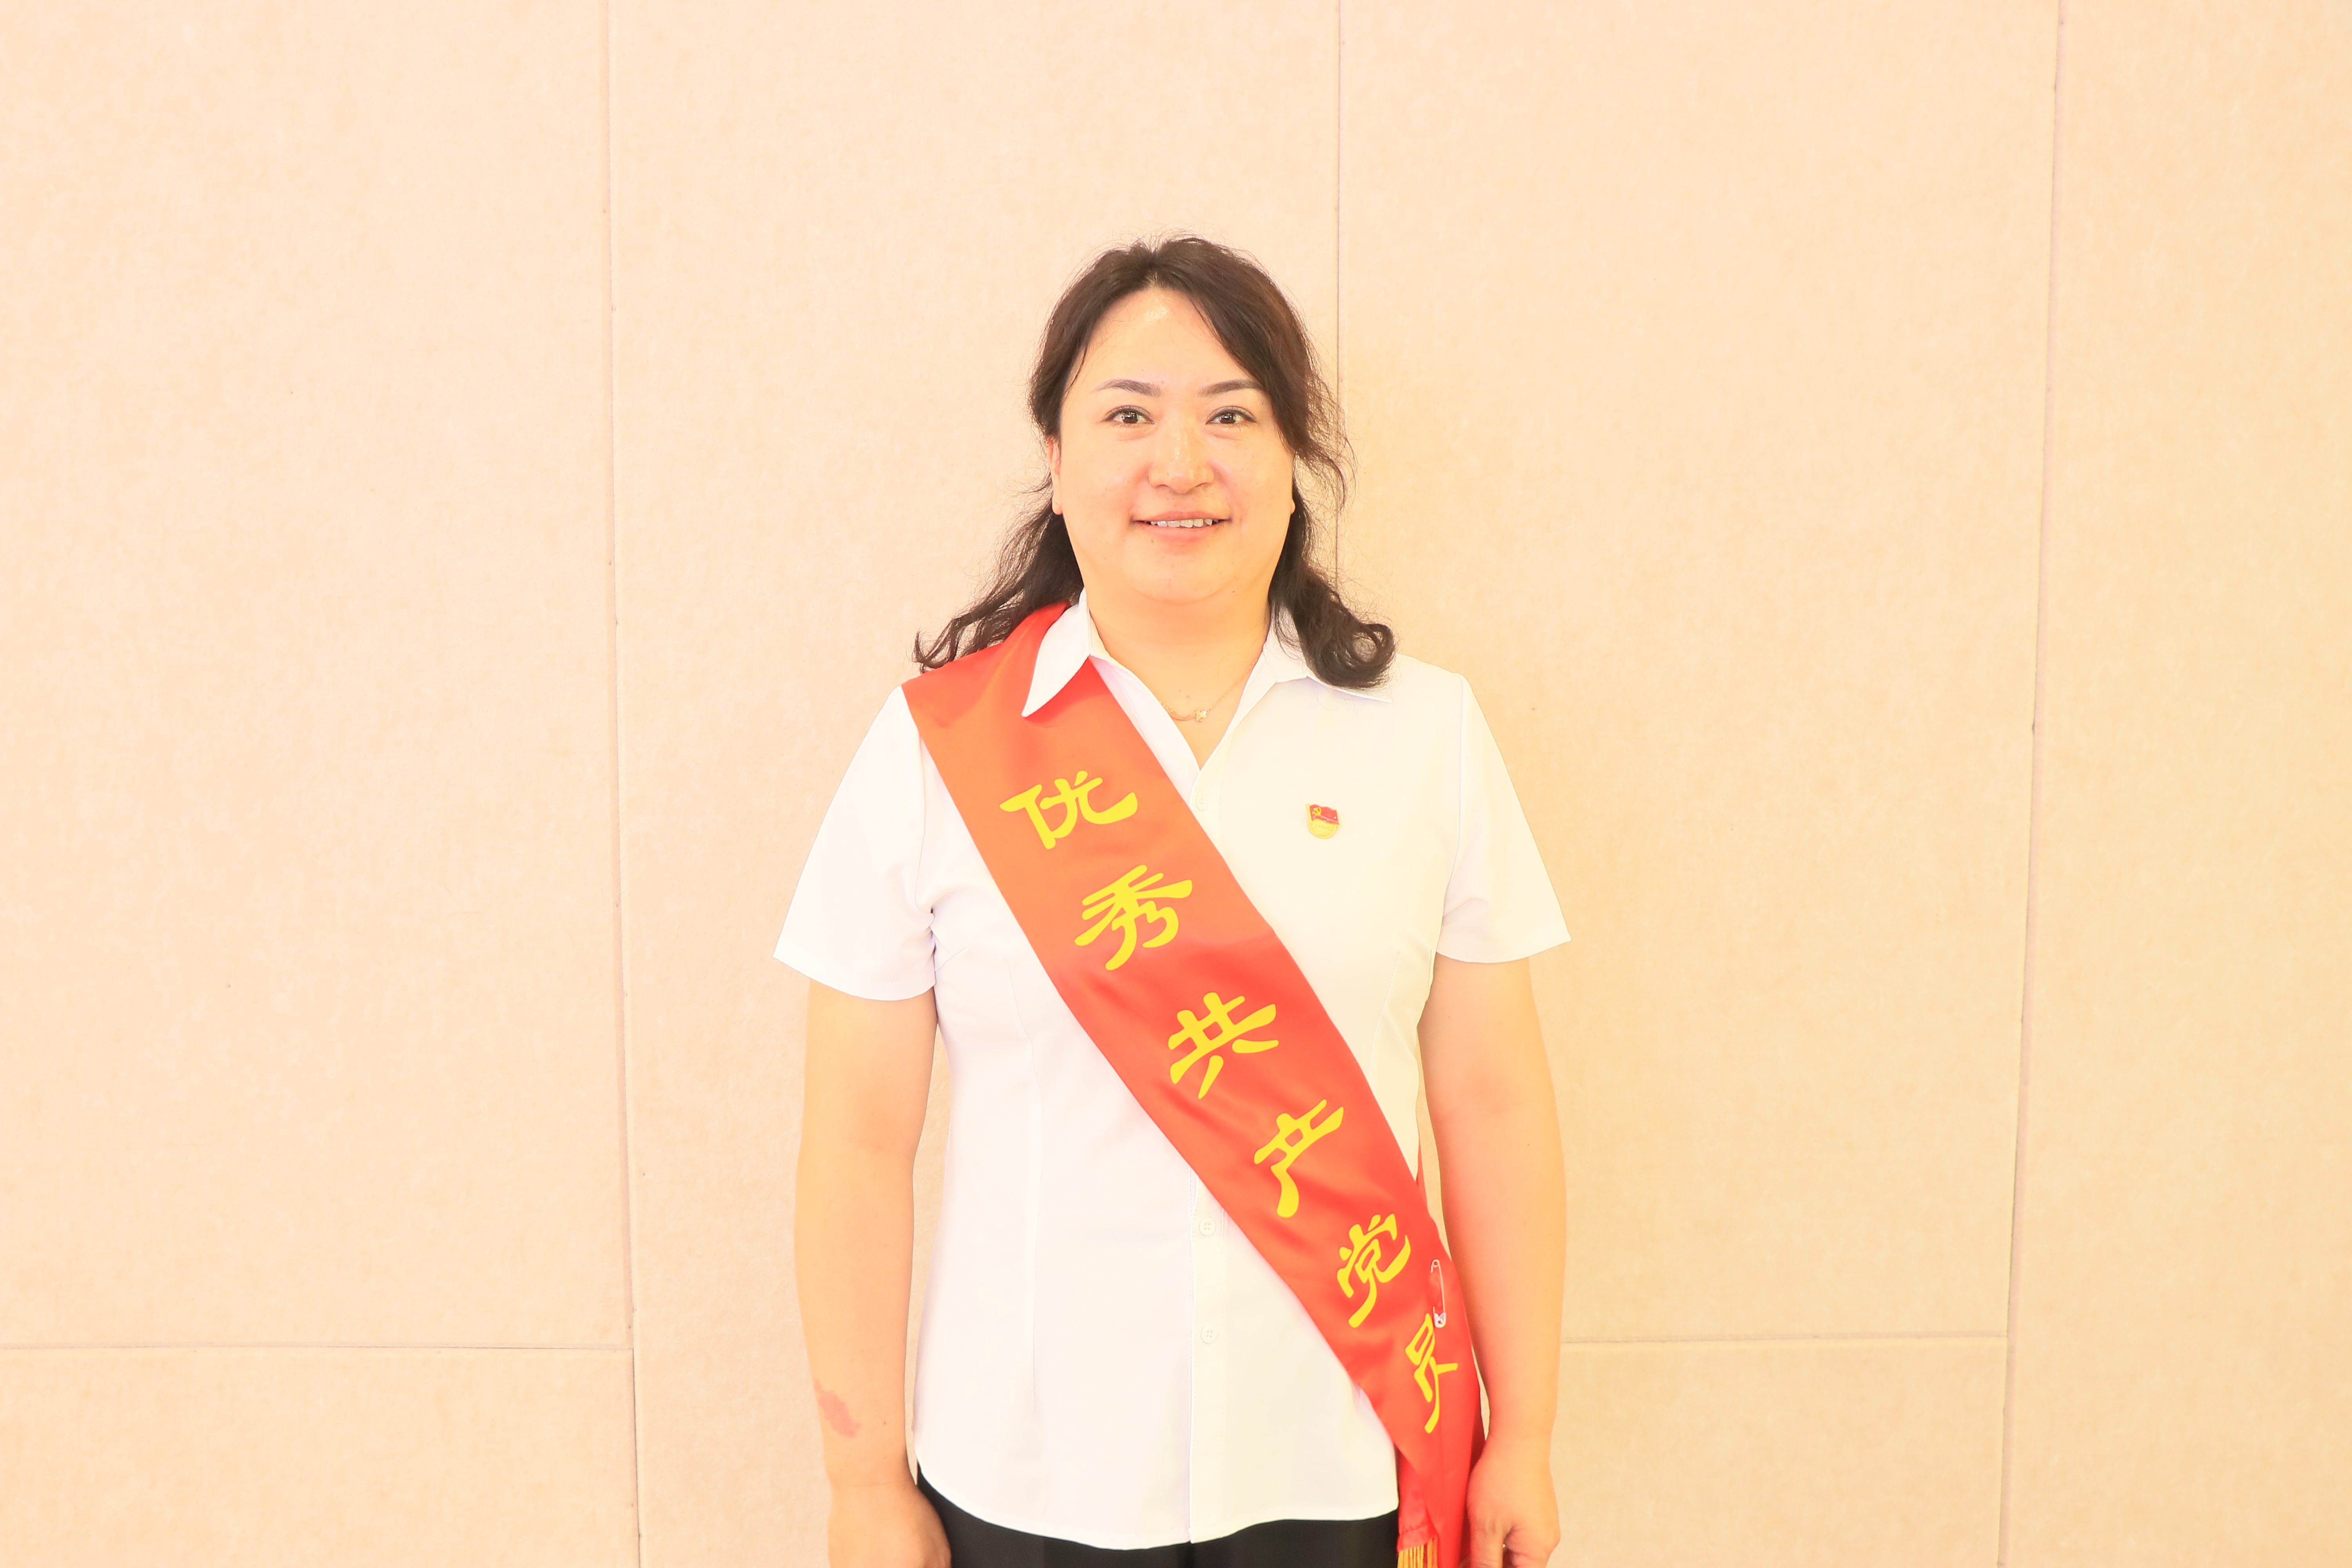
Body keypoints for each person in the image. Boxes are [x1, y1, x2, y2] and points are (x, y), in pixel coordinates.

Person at [781, 235, 1568, 1568]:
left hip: (1340, 1453)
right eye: (1130, 416)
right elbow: (857, 1140)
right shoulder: (937, 750)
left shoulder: (1425, 737)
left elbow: (1493, 1103)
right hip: (1028, 1468)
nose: (1181, 463)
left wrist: (1526, 1433)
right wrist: (862, 1483)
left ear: (1293, 453)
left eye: (1232, 416)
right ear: (1055, 453)